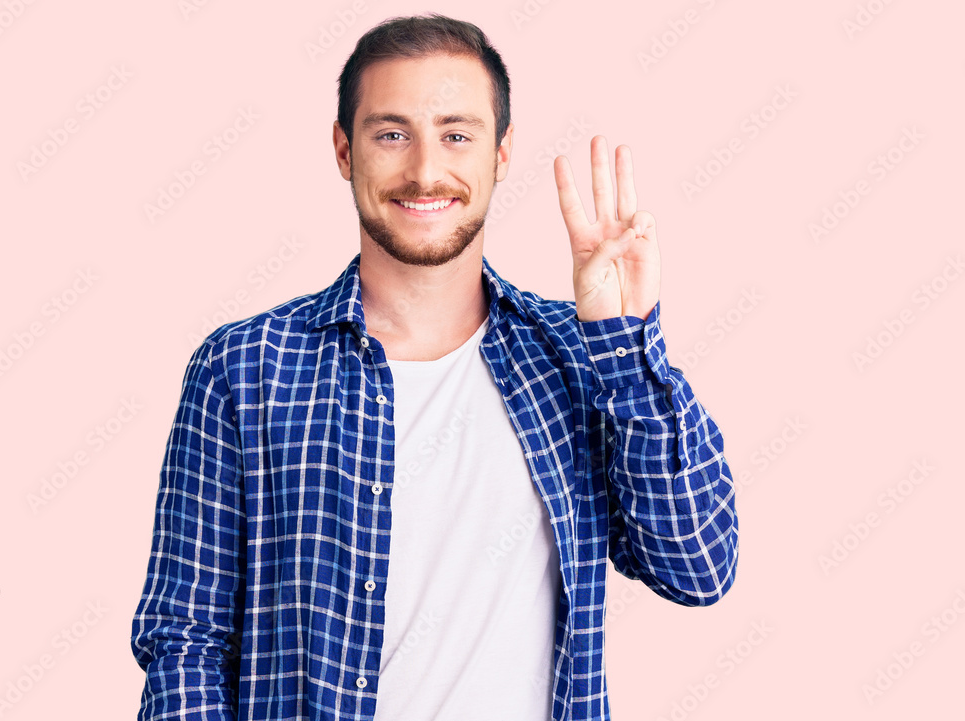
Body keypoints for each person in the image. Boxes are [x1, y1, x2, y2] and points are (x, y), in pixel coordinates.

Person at [130, 13, 738, 721]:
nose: (425, 170)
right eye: (392, 134)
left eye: (456, 134)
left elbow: (697, 566)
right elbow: (187, 642)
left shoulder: (577, 354)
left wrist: (624, 343)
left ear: (501, 153)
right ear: (343, 149)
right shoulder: (245, 368)